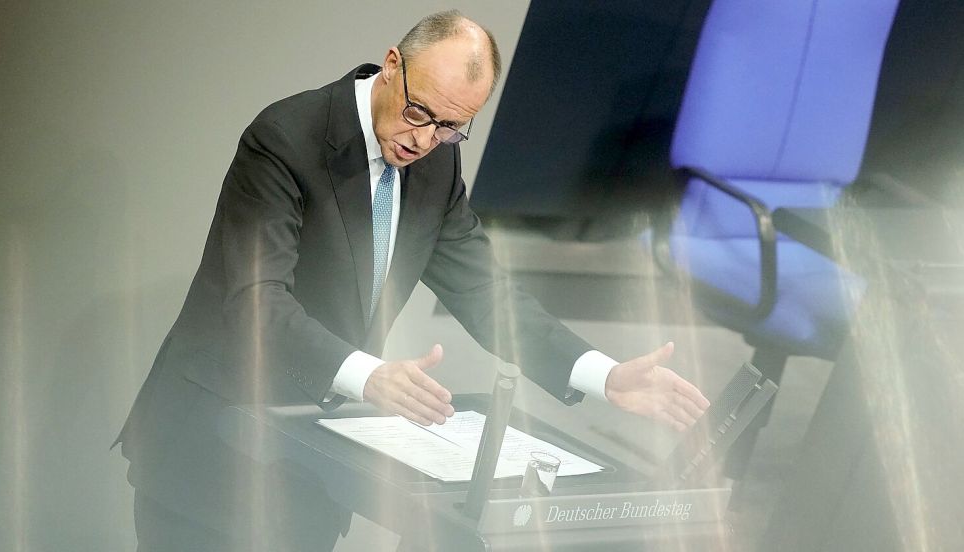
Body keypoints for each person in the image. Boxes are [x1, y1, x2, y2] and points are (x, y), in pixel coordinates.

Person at [115, 10, 710, 551]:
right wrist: (369, 375)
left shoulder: (435, 160)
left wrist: (602, 375)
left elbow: (483, 290)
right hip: (211, 447)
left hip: (306, 459)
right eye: (419, 112)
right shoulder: (285, 139)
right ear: (392, 64)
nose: (424, 139)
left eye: (452, 127)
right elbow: (255, 301)